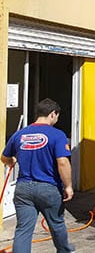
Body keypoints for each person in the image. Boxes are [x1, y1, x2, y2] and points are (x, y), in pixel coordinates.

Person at [1, 98, 75, 253]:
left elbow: (4, 157)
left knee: (23, 229)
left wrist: (11, 161)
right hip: (48, 188)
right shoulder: (57, 135)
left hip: (23, 189)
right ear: (53, 114)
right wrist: (68, 186)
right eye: (57, 115)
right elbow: (62, 162)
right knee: (57, 224)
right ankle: (65, 251)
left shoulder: (20, 134)